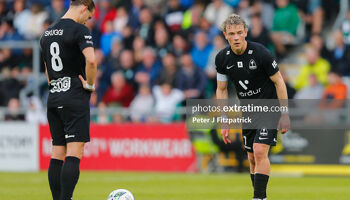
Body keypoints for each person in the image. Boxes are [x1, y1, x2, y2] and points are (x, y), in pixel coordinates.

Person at [215, 14, 290, 200]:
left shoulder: (261, 53)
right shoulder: (222, 59)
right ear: (225, 35)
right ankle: (260, 196)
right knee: (251, 158)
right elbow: (221, 90)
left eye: (240, 32)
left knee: (259, 150)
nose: (236, 37)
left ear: (246, 32)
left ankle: (258, 198)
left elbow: (279, 82)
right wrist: (224, 119)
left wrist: (285, 113)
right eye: (232, 33)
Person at [39, 1, 96, 200]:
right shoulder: (80, 30)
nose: (87, 21)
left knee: (57, 152)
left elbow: (47, 69)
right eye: (88, 16)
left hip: (54, 97)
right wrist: (89, 84)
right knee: (75, 150)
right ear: (84, 8)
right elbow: (91, 60)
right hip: (74, 96)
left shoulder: (47, 33)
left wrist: (56, 87)